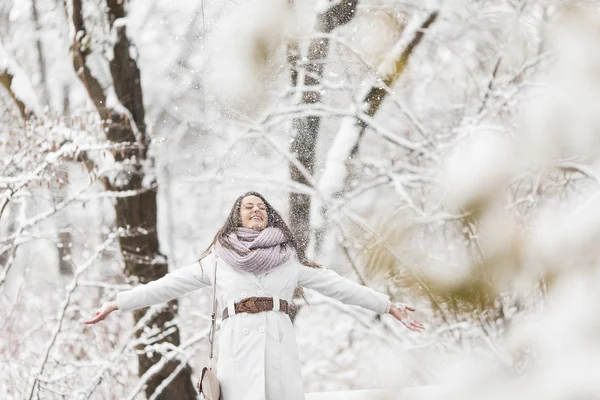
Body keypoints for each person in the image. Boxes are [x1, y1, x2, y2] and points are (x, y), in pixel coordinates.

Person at [84, 191, 425, 400]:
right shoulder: (217, 260)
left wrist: (387, 304)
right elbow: (169, 284)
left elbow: (337, 285)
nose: (256, 210)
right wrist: (119, 302)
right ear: (238, 216)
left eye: (261, 206)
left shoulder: (289, 258)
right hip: (235, 351)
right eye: (249, 207)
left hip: (279, 347)